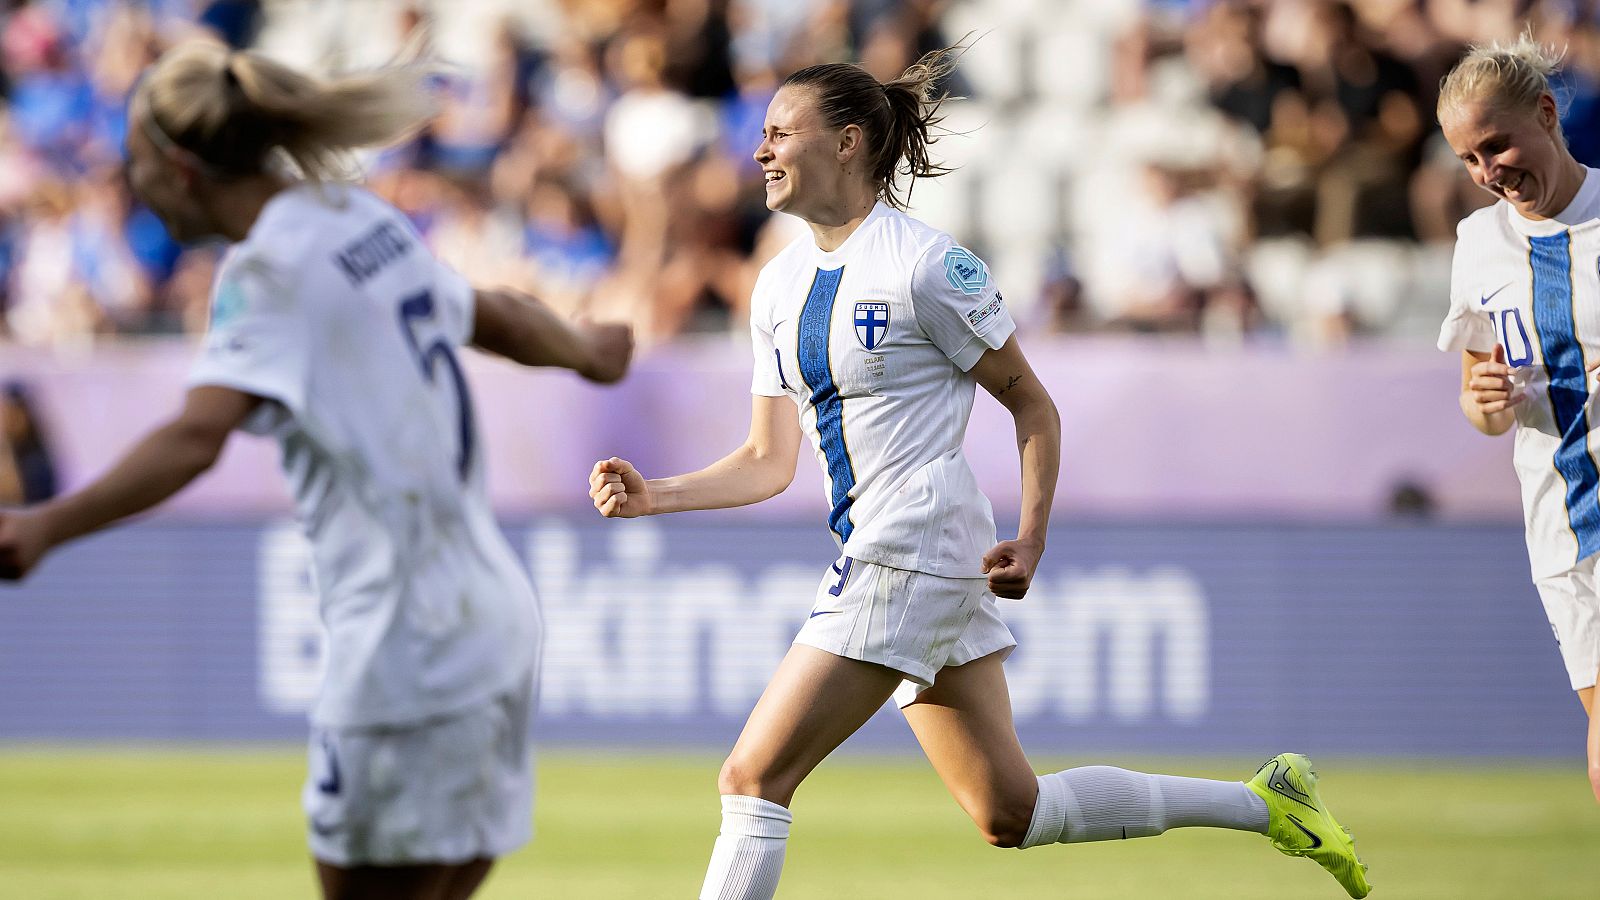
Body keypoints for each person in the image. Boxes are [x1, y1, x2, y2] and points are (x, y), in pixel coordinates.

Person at [589, 48, 1370, 900]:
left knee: (752, 779)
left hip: (911, 544)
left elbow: (1033, 406)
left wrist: (1032, 536)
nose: (761, 150)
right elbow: (767, 461)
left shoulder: (926, 265)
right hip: (909, 553)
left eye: (780, 132)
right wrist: (652, 495)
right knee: (1012, 813)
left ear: (848, 143)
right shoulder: (776, 286)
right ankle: (1269, 804)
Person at [0, 39, 633, 900]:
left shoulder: (266, 269)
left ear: (181, 169)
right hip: (494, 624)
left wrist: (46, 524)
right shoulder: (355, 218)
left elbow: (196, 438)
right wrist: (586, 350)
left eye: (136, 163)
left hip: (402, 653)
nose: (131, 185)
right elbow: (489, 314)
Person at [1438, 33, 1600, 806]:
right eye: (1470, 159)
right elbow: (1480, 396)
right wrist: (1486, 403)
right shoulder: (1480, 244)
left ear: (1545, 112)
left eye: (1497, 145)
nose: (1487, 173)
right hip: (1567, 522)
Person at [0, 381, 58, 505]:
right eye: (4, 414)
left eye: (12, 414)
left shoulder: (36, 459)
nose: (7, 420)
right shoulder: (14, 448)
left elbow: (17, 497)